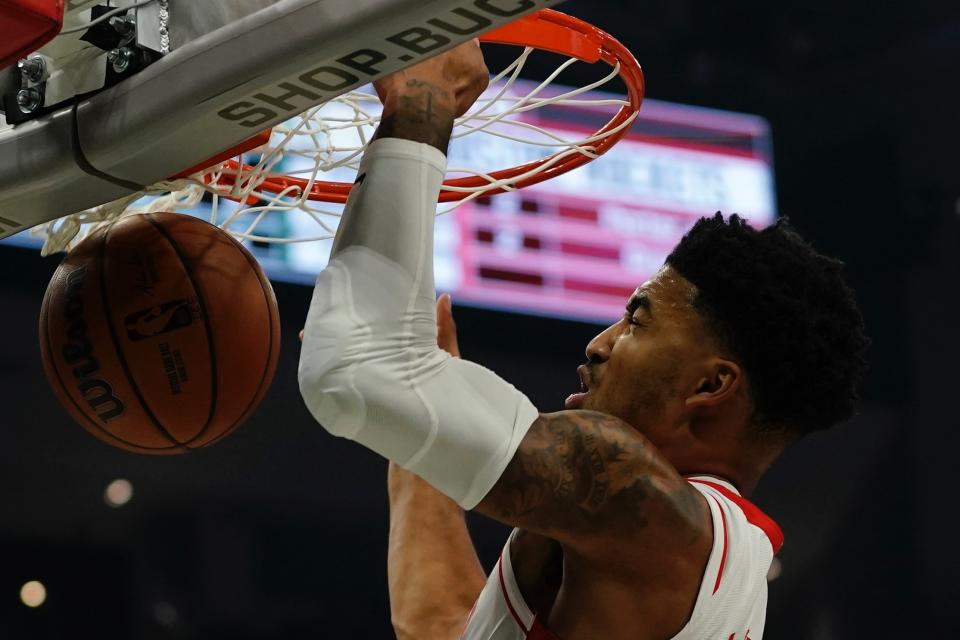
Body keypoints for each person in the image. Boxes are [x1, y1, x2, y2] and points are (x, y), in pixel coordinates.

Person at [298, 41, 869, 640]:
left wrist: (424, 104)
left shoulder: (645, 503)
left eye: (638, 320)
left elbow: (354, 373)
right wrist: (411, 419)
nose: (600, 344)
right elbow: (440, 624)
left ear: (710, 385)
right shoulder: (676, 550)